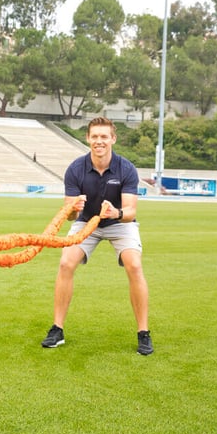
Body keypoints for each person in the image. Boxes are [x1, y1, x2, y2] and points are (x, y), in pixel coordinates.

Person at [40, 116, 153, 355]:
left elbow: (131, 212)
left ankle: (143, 333)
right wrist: (73, 209)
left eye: (104, 136)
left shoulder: (126, 169)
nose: (99, 141)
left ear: (113, 138)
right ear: (88, 138)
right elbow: (68, 215)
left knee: (134, 265)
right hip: (85, 222)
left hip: (119, 222)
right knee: (65, 263)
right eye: (94, 137)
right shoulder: (75, 169)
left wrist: (115, 212)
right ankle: (57, 329)